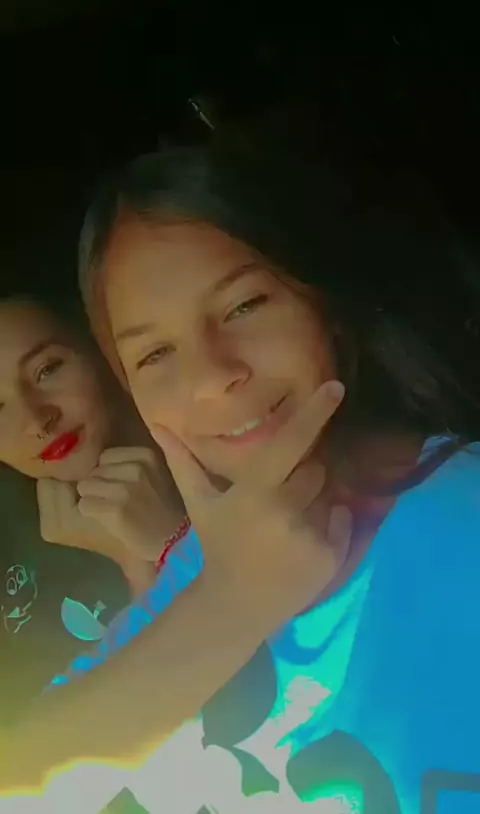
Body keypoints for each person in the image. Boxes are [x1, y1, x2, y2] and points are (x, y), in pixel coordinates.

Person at [2, 138, 480, 811]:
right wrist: (231, 599)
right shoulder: (206, 565)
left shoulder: (461, 512)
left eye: (243, 307)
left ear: (322, 301)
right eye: (155, 354)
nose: (212, 376)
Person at [0, 293, 184, 730]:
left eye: (48, 369)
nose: (37, 419)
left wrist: (151, 557)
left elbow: (223, 706)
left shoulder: (213, 461)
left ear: (100, 347)